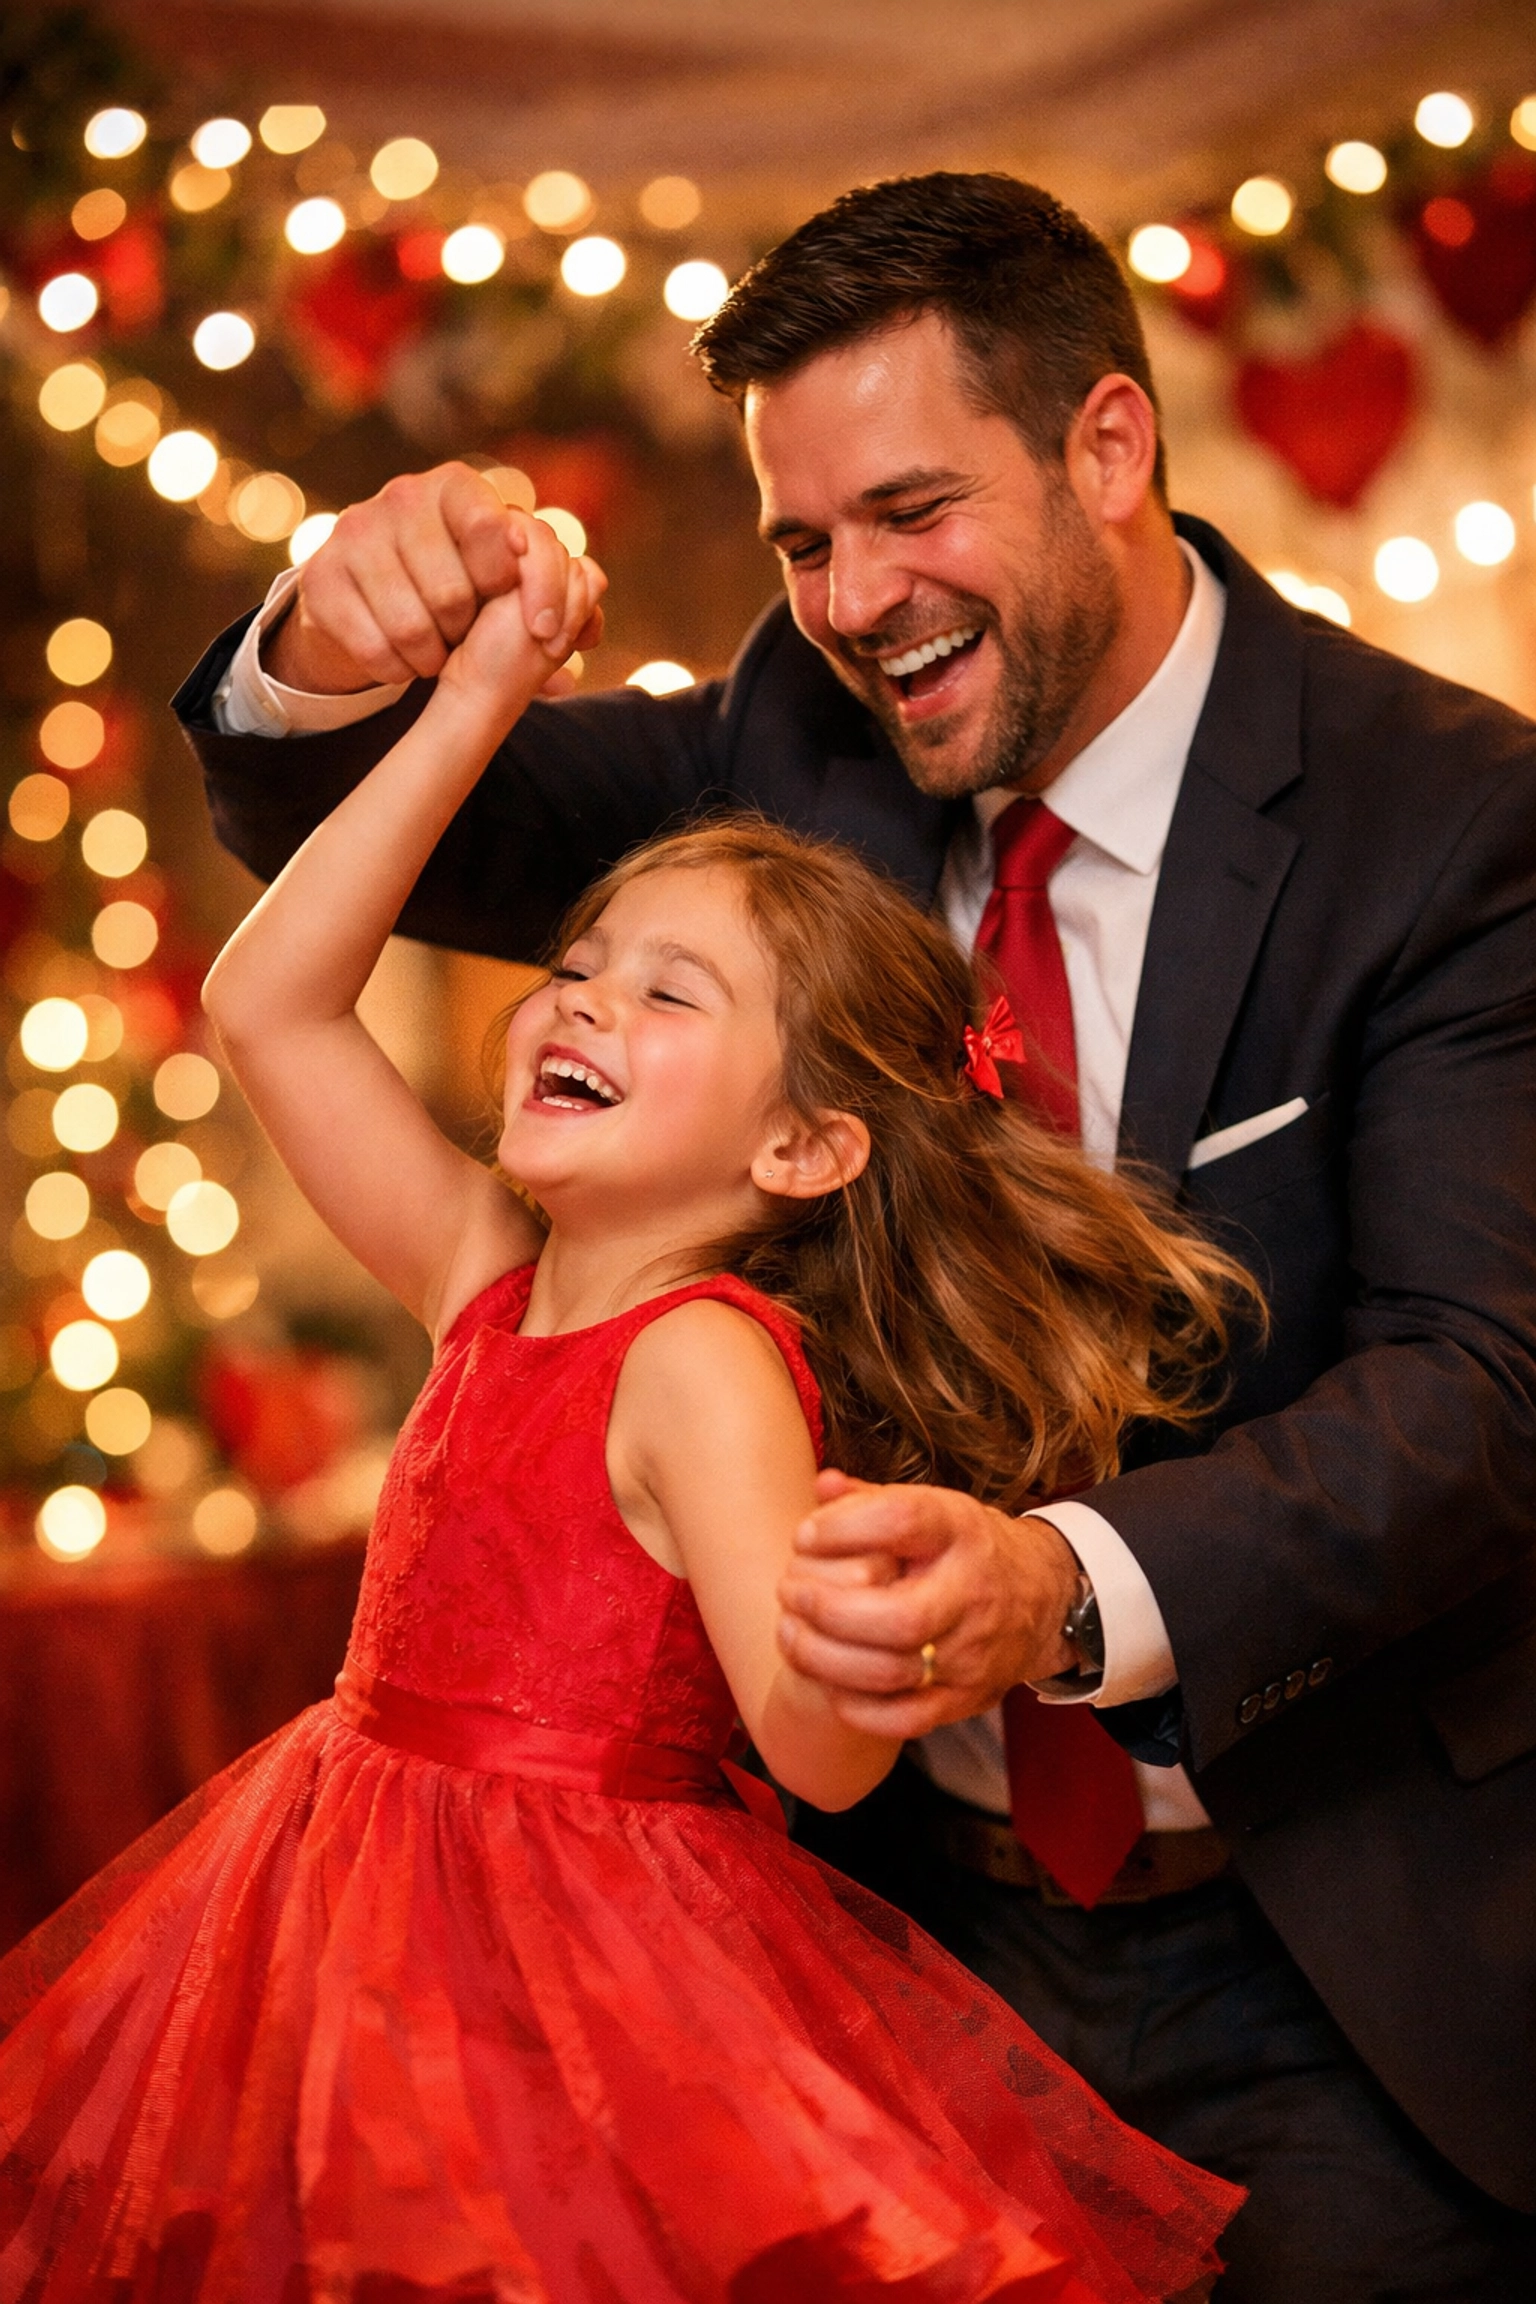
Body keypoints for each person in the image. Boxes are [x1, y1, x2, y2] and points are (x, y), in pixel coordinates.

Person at [173, 173, 1536, 2301]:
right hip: (879, 1930)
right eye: (804, 540)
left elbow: (1486, 1391)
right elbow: (370, 867)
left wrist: (1055, 1596)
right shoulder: (792, 740)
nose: (854, 597)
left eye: (911, 510)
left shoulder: (1443, 815)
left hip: (1318, 1925)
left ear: (1108, 443)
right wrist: (335, 655)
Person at [0, 538, 1248, 2302]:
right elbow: (265, 999)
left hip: (567, 2012)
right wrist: (479, 700)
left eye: (671, 994)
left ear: (804, 1150)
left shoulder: (702, 1363)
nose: (581, 998)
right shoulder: (481, 1277)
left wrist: (872, 1625)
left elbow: (817, 1758)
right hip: (336, 1934)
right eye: (581, 964)